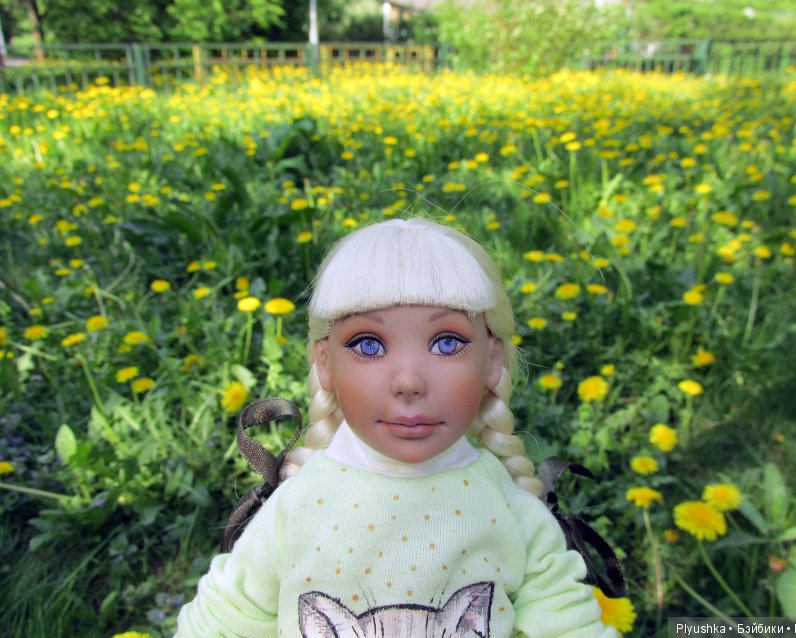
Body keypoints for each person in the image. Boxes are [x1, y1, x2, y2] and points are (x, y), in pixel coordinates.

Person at [175, 218, 616, 638]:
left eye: (447, 343)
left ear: (493, 359)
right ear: (325, 361)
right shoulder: (296, 508)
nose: (408, 381)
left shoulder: (510, 511)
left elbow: (568, 625)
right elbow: (222, 624)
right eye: (368, 345)